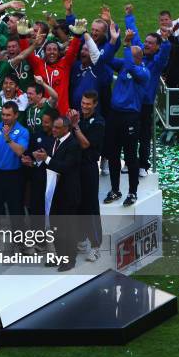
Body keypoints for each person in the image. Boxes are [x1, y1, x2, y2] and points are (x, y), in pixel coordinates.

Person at [103, 30, 150, 207]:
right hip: (115, 115)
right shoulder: (125, 64)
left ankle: (132, 192)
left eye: (131, 53)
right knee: (113, 154)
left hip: (130, 117)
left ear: (138, 57)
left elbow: (130, 67)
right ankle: (115, 189)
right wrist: (113, 40)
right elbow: (106, 59)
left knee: (130, 156)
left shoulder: (144, 73)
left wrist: (128, 45)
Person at [124, 6, 172, 176]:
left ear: (158, 47)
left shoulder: (157, 63)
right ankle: (129, 163)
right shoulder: (140, 54)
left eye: (151, 43)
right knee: (129, 134)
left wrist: (166, 41)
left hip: (145, 104)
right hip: (131, 102)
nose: (147, 45)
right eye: (146, 42)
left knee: (144, 136)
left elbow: (165, 55)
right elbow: (135, 35)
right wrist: (129, 16)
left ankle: (143, 165)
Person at [33, 117, 82, 272]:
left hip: (68, 193)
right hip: (54, 192)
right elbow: (53, 161)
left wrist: (46, 158)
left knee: (68, 227)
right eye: (53, 127)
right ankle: (60, 256)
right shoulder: (56, 141)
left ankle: (70, 259)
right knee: (56, 227)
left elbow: (65, 167)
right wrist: (40, 159)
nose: (53, 129)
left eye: (57, 127)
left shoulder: (73, 144)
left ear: (66, 129)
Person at [18, 18, 85, 115]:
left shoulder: (64, 64)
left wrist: (77, 36)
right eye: (49, 50)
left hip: (62, 112)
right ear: (44, 52)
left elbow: (72, 51)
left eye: (55, 50)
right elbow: (26, 54)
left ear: (59, 53)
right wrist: (22, 37)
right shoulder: (39, 64)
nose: (52, 52)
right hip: (43, 112)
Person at [69, 91, 106, 262]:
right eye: (83, 102)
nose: (84, 106)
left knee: (90, 207)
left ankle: (96, 246)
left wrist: (75, 126)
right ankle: (81, 238)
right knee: (77, 203)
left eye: (88, 104)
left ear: (95, 104)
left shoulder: (98, 122)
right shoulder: (79, 118)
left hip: (89, 168)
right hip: (75, 168)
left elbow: (85, 144)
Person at [0, 102, 29, 217]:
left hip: (14, 176)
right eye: (3, 114)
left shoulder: (23, 131)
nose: (5, 117)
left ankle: (18, 235)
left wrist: (8, 139)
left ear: (16, 115)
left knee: (16, 211)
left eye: (8, 115)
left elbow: (20, 151)